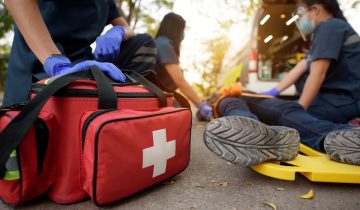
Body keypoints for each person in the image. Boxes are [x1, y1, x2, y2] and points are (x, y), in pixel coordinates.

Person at [204, 0, 360, 166]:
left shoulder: (330, 27)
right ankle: (255, 129)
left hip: (341, 102)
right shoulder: (333, 30)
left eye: (300, 12)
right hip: (338, 101)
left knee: (282, 114)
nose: (299, 18)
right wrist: (272, 92)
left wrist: (299, 108)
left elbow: (318, 73)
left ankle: (257, 131)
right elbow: (301, 67)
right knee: (247, 100)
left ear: (315, 10)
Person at [2, 0, 157, 107]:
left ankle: (128, 103)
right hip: (41, 64)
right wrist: (56, 63)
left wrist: (119, 32)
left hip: (83, 64)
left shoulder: (107, 3)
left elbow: (127, 28)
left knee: (144, 42)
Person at [153, 12, 213, 121]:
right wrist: (200, 105)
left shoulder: (158, 42)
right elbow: (179, 81)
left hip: (155, 93)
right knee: (183, 113)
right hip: (156, 97)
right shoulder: (164, 45)